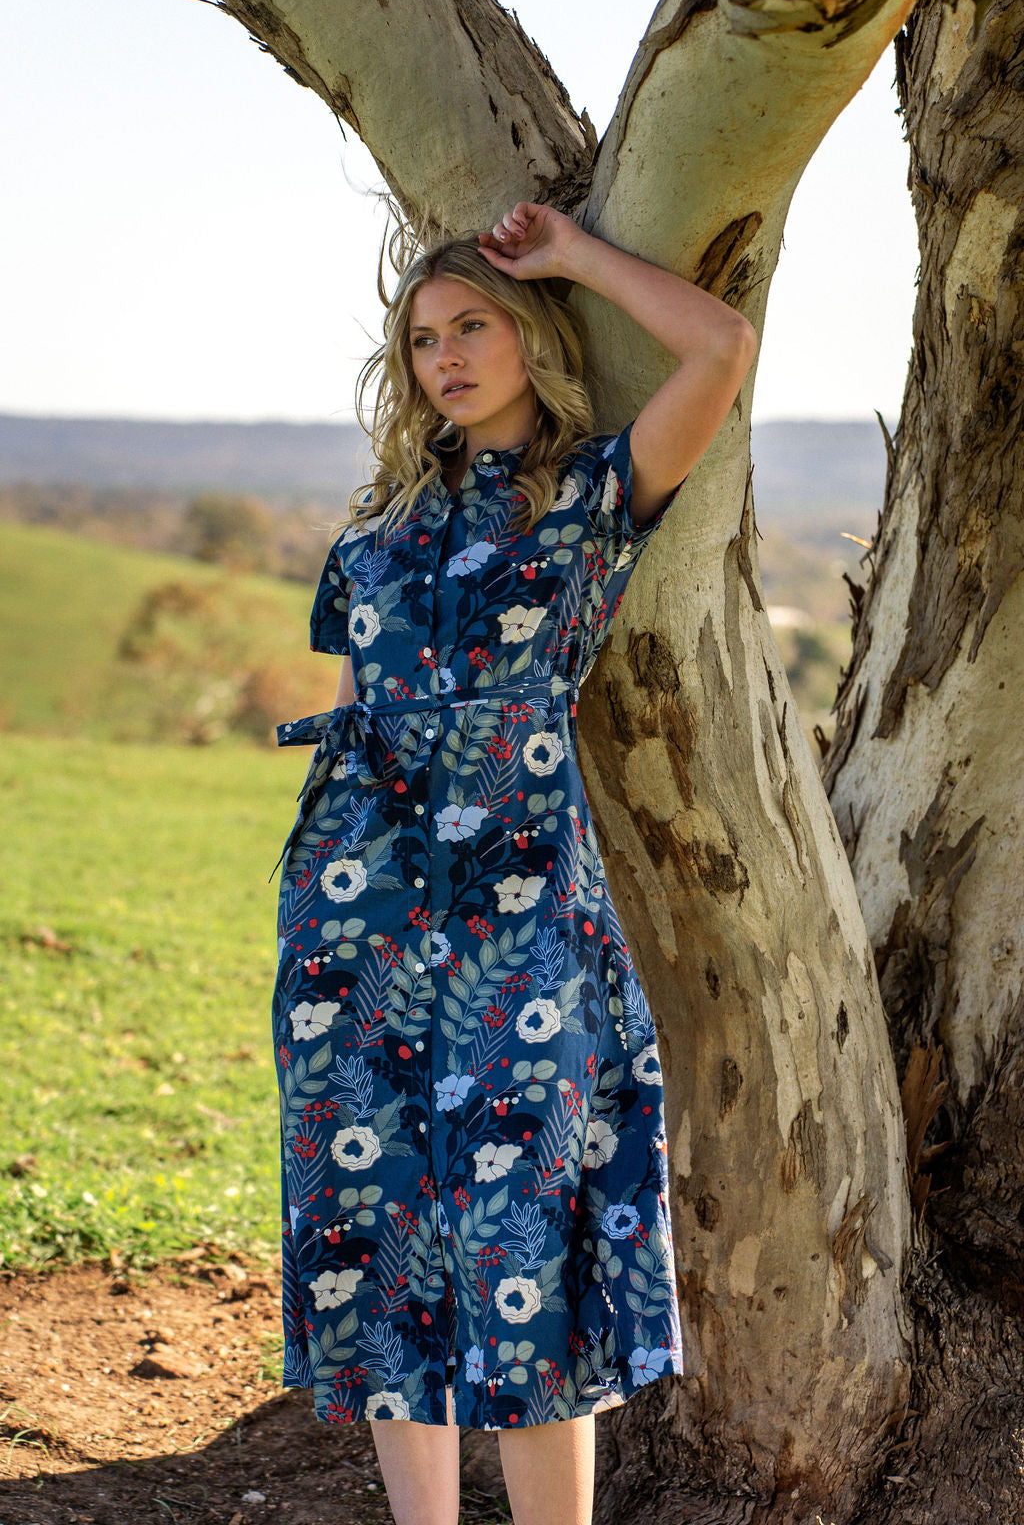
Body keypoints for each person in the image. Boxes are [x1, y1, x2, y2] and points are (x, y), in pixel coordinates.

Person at [271, 200, 757, 1525]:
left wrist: (582, 256)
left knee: (522, 1248)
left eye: (472, 323)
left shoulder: (594, 495)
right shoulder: (379, 528)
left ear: (532, 337)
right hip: (354, 917)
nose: (446, 356)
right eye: (424, 338)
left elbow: (719, 346)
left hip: (519, 921)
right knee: (372, 1255)